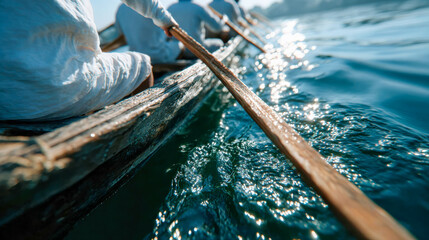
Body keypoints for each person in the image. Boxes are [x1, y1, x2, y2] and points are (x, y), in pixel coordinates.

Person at [0, 0, 176, 121]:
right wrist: (166, 20)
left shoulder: (119, 12)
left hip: (6, 102)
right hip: (56, 91)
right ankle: (144, 134)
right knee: (143, 64)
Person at [116, 4, 184, 64]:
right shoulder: (151, 3)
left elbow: (121, 34)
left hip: (138, 59)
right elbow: (166, 25)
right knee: (181, 45)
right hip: (158, 56)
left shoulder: (120, 10)